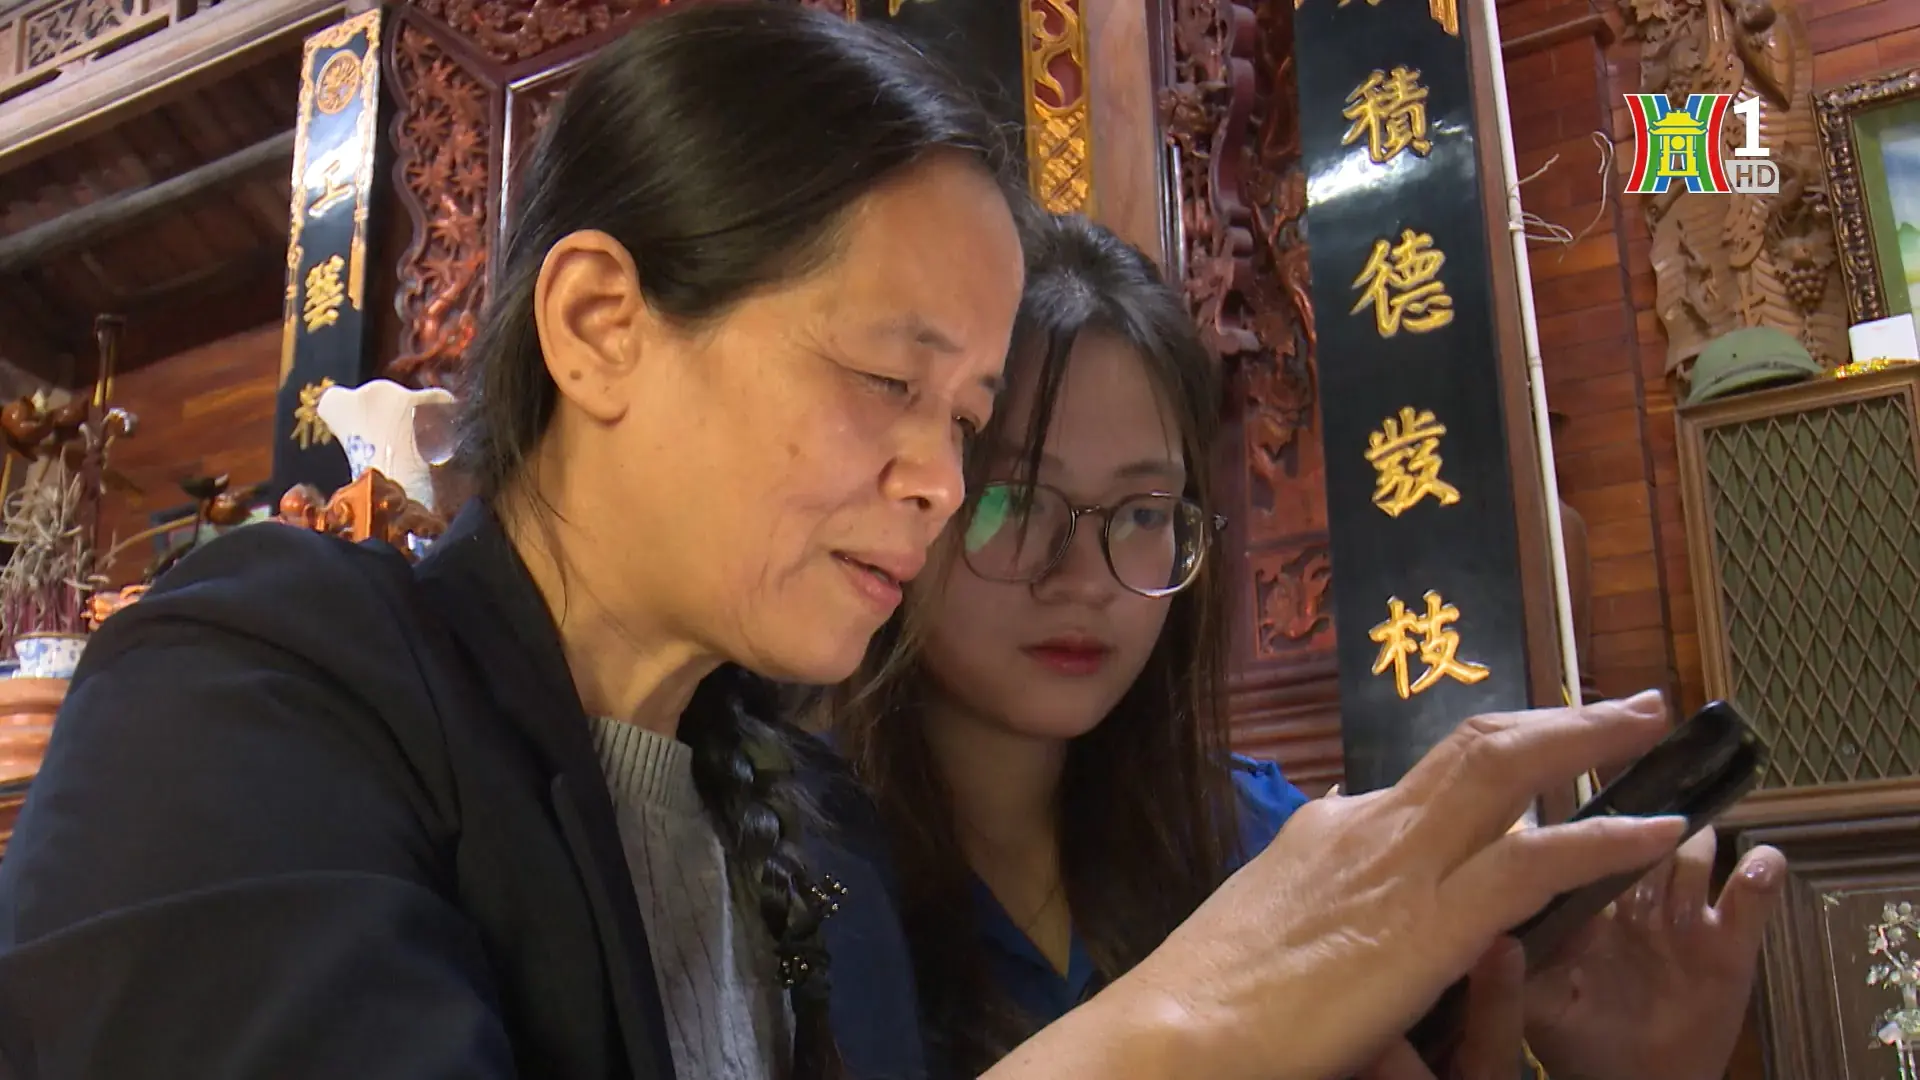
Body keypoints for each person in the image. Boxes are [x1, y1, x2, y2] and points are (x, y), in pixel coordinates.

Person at [0, 8, 1719, 1080]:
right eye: (891, 381)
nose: (940, 483)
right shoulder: (254, 682)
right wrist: (1167, 1037)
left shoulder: (803, 828)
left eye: (963, 417)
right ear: (599, 326)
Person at [826, 212, 1788, 1080]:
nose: (1085, 576)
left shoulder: (1263, 840)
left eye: (1145, 512)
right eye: (1018, 500)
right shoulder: (791, 864)